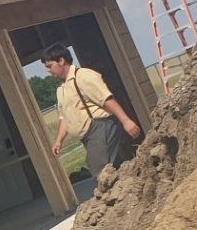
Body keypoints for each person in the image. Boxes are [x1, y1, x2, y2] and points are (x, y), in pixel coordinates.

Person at [42, 42, 142, 176]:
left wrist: (125, 121)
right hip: (88, 137)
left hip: (100, 127)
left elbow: (106, 99)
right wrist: (59, 141)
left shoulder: (83, 76)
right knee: (115, 169)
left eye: (50, 66)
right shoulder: (61, 90)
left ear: (61, 60)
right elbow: (64, 117)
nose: (48, 70)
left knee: (99, 171)